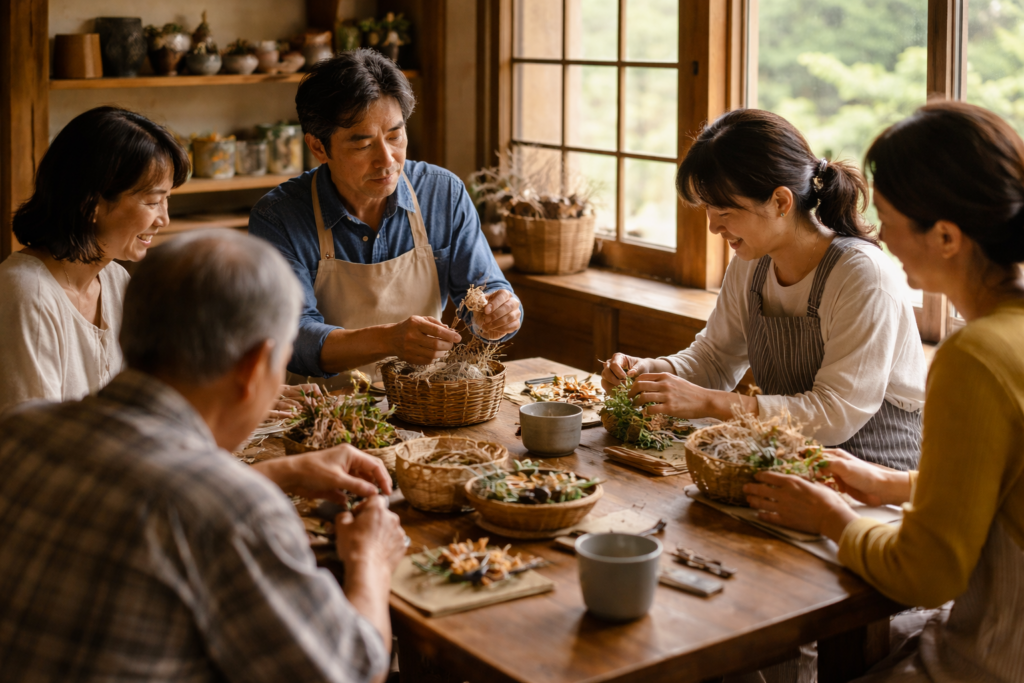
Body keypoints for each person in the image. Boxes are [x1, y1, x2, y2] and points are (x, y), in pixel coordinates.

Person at [0, 230, 406, 682]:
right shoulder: (232, 509)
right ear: (254, 368)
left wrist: (276, 473)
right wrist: (371, 559)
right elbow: (349, 670)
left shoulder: (18, 430)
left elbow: (149, 493)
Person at [744, 101, 1024, 681]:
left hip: (991, 657)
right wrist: (894, 484)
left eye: (892, 217)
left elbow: (928, 575)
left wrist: (831, 518)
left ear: (945, 236)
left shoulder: (976, 358)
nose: (882, 233)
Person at [601, 109, 926, 470]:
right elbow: (714, 359)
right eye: (708, 209)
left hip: (875, 480)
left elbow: (835, 414)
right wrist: (650, 373)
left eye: (725, 211)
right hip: (789, 468)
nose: (712, 227)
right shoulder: (751, 261)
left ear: (781, 202)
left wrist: (709, 404)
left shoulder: (861, 275)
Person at [249, 49, 523, 389]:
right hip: (321, 414)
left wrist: (500, 315)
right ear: (318, 147)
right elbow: (294, 339)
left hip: (422, 405)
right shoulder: (278, 216)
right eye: (362, 144)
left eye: (395, 136)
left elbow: (486, 292)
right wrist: (389, 340)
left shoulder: (442, 194)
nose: (387, 159)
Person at [0, 106, 189, 413]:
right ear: (91, 204)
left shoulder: (115, 280)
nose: (164, 219)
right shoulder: (27, 294)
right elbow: (34, 444)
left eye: (167, 200)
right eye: (153, 201)